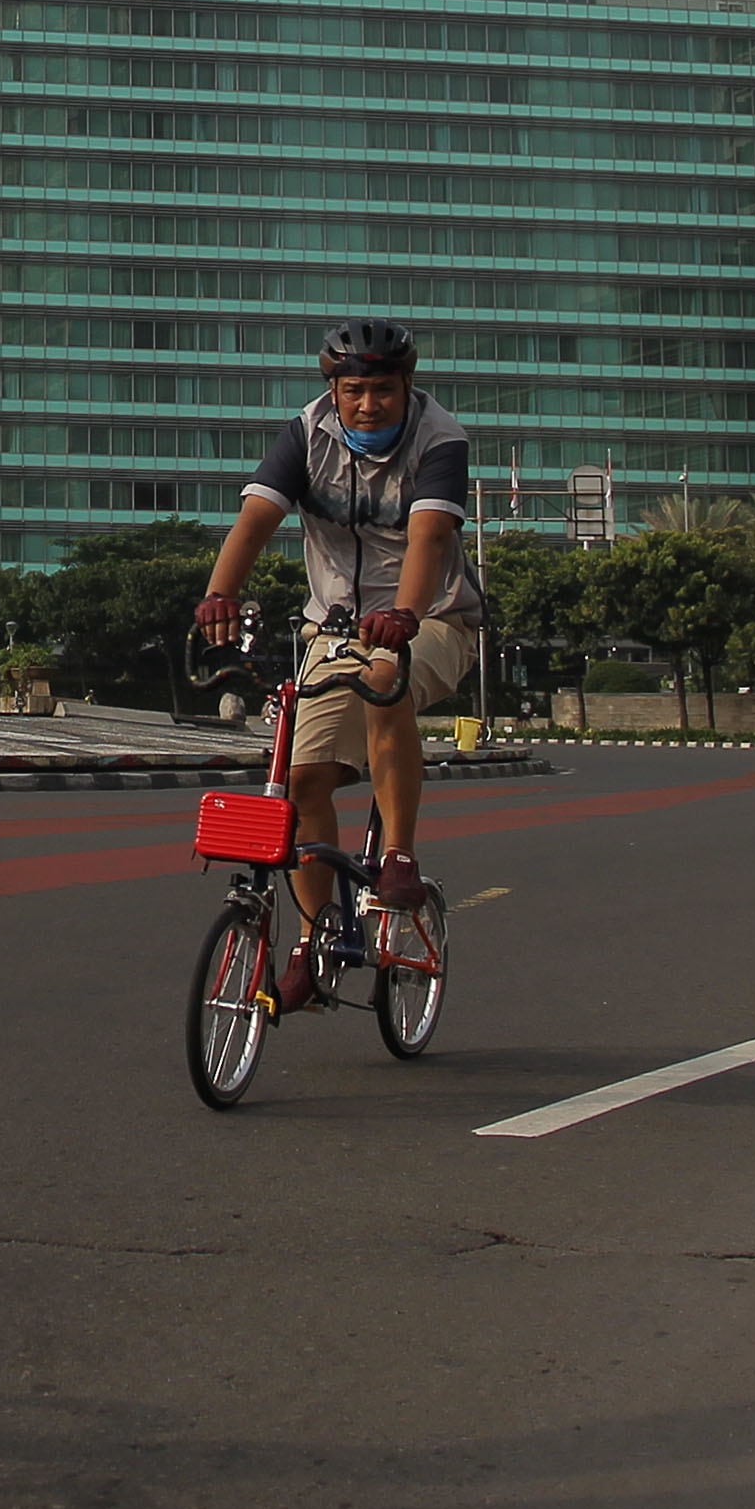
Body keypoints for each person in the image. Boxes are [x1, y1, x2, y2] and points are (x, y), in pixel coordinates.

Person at [191, 321, 481, 1006]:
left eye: (383, 389)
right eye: (354, 390)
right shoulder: (307, 432)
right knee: (301, 776)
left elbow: (429, 536)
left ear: (407, 386)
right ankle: (314, 942)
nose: (369, 404)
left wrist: (405, 616)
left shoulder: (440, 438)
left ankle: (401, 856)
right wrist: (218, 593)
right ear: (334, 390)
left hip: (432, 615)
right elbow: (256, 520)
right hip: (338, 623)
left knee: (387, 679)